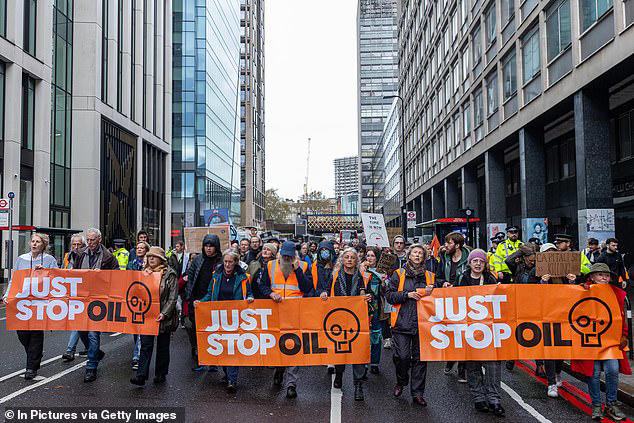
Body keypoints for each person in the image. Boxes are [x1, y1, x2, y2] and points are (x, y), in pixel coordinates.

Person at [572, 263, 630, 420]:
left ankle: (611, 404)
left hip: (610, 341)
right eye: (600, 274)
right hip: (590, 341)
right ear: (592, 277)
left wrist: (624, 335)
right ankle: (597, 405)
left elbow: (621, 317)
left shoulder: (616, 293)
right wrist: (576, 286)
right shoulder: (582, 290)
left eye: (607, 275)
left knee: (612, 369)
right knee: (594, 373)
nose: (604, 277)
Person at [259, 241, 314, 399]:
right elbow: (262, 285)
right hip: (275, 313)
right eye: (284, 256)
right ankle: (279, 370)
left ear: (295, 256)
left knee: (293, 347)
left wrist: (297, 271)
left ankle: (291, 384)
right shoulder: (270, 266)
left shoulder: (302, 267)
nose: (287, 259)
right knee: (277, 345)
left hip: (295, 314)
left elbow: (307, 287)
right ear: (280, 255)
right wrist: (270, 294)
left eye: (290, 257)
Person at [455, 249, 505, 416]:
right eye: (474, 261)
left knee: (493, 365)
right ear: (469, 263)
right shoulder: (462, 278)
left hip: (489, 329)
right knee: (473, 364)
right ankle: (479, 398)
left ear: (485, 264)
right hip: (468, 328)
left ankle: (494, 399)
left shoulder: (491, 278)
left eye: (481, 261)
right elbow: (454, 300)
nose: (477, 264)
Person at [2, 233, 58, 380]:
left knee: (36, 334)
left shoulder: (49, 260)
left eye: (37, 242)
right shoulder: (22, 259)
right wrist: (7, 295)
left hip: (40, 303)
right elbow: (14, 279)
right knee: (22, 334)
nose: (34, 244)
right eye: (32, 241)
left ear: (43, 245)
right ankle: (36, 354)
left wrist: (45, 271)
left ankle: (31, 368)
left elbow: (58, 278)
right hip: (23, 302)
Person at [385, 244, 435, 406]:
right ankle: (401, 381)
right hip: (402, 322)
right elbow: (389, 296)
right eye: (415, 252)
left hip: (423, 324)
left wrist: (437, 289)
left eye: (421, 253)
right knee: (402, 357)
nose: (418, 255)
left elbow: (440, 296)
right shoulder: (398, 275)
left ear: (424, 257)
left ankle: (418, 393)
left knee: (420, 359)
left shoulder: (430, 277)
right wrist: (406, 295)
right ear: (409, 256)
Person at [319, 248, 371, 401]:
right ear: (341, 260)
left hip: (358, 320)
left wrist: (369, 296)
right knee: (341, 350)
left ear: (357, 261)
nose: (349, 260)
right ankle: (339, 374)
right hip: (339, 319)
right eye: (346, 257)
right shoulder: (333, 275)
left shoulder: (364, 277)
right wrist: (323, 293)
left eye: (352, 258)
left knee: (358, 353)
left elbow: (372, 293)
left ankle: (358, 385)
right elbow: (325, 290)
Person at [72, 228, 119, 382]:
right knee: (81, 330)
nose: (90, 242)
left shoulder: (108, 257)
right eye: (88, 239)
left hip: (99, 300)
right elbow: (73, 273)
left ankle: (91, 367)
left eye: (93, 240)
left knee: (93, 333)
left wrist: (103, 276)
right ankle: (96, 352)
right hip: (83, 299)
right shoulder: (80, 254)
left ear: (99, 239)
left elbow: (118, 276)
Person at [130, 247, 179, 386]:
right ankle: (141, 375)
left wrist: (164, 313)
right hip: (147, 315)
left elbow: (172, 298)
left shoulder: (170, 274)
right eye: (149, 256)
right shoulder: (144, 273)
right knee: (145, 345)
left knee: (162, 346)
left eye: (154, 256)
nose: (151, 259)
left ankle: (161, 373)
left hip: (163, 316)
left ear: (161, 259)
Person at [185, 234, 222, 370]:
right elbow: (191, 279)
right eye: (206, 245)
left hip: (215, 302)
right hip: (198, 302)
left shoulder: (222, 261)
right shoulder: (198, 260)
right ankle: (201, 360)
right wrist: (190, 297)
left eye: (211, 246)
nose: (208, 248)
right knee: (199, 332)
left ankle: (214, 362)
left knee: (215, 333)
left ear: (216, 247)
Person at [438, 232, 471, 382]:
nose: (445, 246)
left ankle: (462, 370)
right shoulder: (444, 258)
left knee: (464, 335)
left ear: (457, 245)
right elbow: (438, 277)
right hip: (448, 301)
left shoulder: (469, 258)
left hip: (466, 302)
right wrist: (443, 283)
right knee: (452, 334)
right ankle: (451, 359)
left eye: (449, 243)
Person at [61, 234, 90, 362]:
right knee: (80, 324)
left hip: (84, 294)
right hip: (71, 294)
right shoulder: (67, 257)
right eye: (74, 244)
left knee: (78, 322)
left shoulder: (87, 256)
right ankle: (91, 347)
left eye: (79, 244)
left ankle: (70, 350)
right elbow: (62, 272)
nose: (76, 247)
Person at [363, 247, 389, 374]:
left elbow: (386, 292)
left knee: (376, 335)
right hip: (363, 307)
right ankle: (363, 363)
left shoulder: (382, 272)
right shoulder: (361, 270)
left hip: (377, 307)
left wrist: (384, 282)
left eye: (372, 255)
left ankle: (374, 363)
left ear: (377, 257)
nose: (370, 258)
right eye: (368, 255)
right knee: (364, 336)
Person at [126, 240, 151, 370]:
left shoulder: (150, 265)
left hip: (146, 301)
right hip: (134, 300)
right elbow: (129, 278)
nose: (139, 250)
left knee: (142, 329)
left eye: (142, 248)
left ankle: (137, 356)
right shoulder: (131, 264)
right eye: (137, 248)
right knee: (136, 330)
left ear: (146, 250)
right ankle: (139, 351)